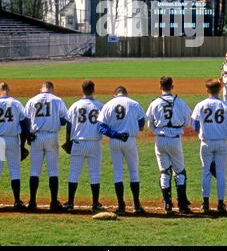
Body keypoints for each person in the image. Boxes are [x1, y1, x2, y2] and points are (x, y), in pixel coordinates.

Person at [146, 76, 191, 215]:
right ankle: (182, 205)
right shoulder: (180, 102)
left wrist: (159, 131)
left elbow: (150, 125)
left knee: (164, 172)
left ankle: (167, 204)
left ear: (160, 87)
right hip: (175, 140)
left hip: (160, 139)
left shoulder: (155, 103)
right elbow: (187, 123)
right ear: (172, 86)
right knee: (180, 172)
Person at [97, 86, 145, 215]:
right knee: (134, 172)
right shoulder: (134, 103)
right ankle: (136, 205)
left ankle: (121, 206)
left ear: (115, 95)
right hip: (130, 140)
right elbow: (141, 124)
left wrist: (116, 134)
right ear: (126, 94)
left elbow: (101, 127)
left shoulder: (108, 104)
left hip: (114, 141)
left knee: (118, 172)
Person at [191, 79, 227, 214]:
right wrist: (221, 131)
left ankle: (205, 204)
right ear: (220, 89)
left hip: (206, 142)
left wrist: (203, 132)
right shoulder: (226, 105)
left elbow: (194, 125)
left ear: (207, 90)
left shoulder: (200, 105)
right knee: (221, 173)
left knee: (206, 172)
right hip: (221, 142)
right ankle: (221, 204)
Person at [24, 81, 68, 211]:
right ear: (51, 89)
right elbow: (65, 119)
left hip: (36, 137)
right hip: (51, 137)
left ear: (41, 89)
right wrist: (55, 120)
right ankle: (54, 202)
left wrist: (27, 136)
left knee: (34, 171)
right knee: (53, 171)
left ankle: (32, 202)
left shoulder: (32, 100)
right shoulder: (57, 100)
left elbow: (25, 120)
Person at [63, 80, 105, 213]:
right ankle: (95, 204)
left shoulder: (75, 105)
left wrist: (68, 141)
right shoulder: (100, 106)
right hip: (94, 143)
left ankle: (70, 203)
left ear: (82, 90)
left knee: (74, 173)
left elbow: (68, 126)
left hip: (78, 143)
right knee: (95, 173)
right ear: (94, 90)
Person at [0, 82, 30, 210]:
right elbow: (24, 124)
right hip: (13, 140)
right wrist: (22, 145)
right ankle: (17, 201)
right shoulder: (16, 103)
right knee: (15, 171)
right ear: (8, 89)